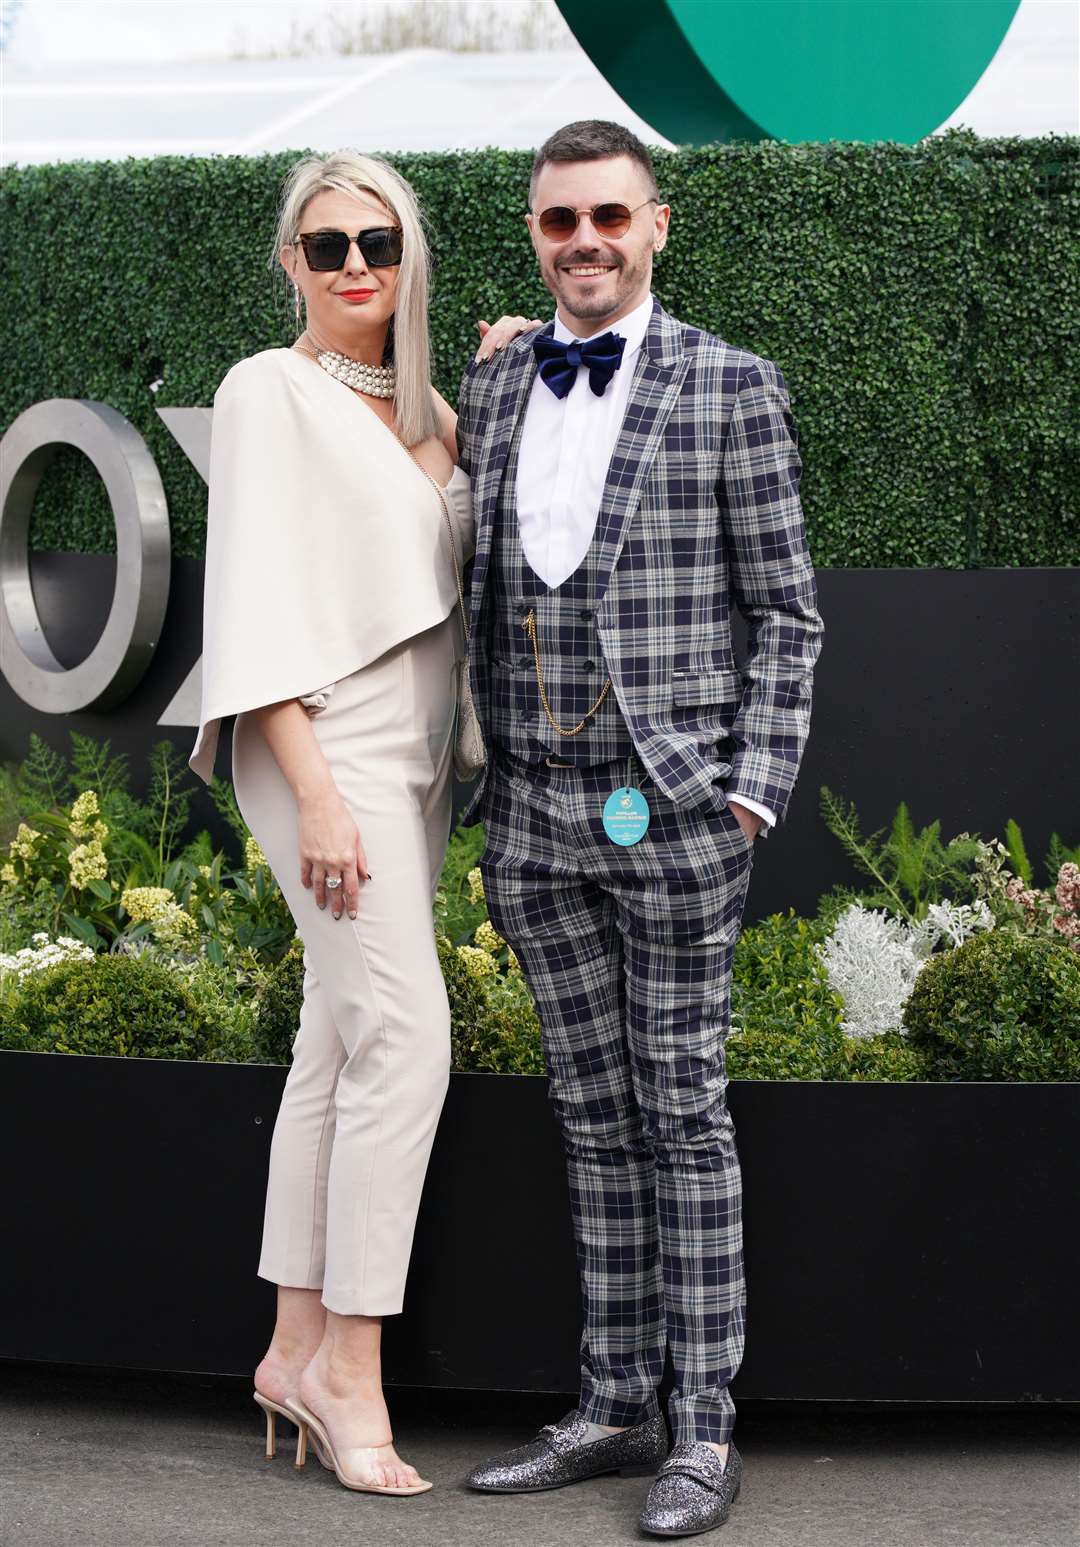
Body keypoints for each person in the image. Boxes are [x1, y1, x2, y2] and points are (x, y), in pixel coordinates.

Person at [459, 121, 824, 1537]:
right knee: (589, 1115)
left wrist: (752, 792)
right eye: (561, 223)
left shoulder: (731, 385)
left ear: (655, 224)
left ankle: (704, 1427)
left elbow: (788, 611)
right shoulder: (495, 387)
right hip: (535, 814)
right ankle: (615, 1404)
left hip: (673, 808)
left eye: (609, 216)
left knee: (682, 1113)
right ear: (536, 234)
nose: (586, 242)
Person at [189, 149, 528, 1497]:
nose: (353, 269)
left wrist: (501, 380)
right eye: (325, 246)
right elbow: (254, 597)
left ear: (407, 255)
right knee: (408, 1040)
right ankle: (351, 1367)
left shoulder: (429, 407)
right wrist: (315, 784)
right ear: (290, 262)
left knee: (337, 1045)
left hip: (415, 764)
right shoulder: (268, 390)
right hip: (320, 742)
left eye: (376, 242)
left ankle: (285, 1347)